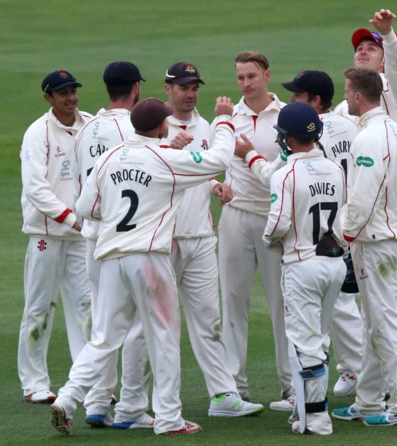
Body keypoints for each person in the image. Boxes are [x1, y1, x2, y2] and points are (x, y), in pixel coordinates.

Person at [49, 97, 236, 436]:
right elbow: (219, 159)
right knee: (163, 337)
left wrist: (119, 210)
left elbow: (85, 207)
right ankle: (168, 419)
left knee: (103, 339)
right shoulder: (165, 158)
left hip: (109, 257)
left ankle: (67, 399)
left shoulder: (108, 159)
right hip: (149, 258)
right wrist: (223, 120)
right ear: (163, 125)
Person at [235, 70, 363, 397]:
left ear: (315, 101)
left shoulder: (293, 157)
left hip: (304, 250)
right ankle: (361, 377)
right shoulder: (351, 126)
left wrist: (248, 153)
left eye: (297, 95)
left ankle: (312, 410)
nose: (290, 99)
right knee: (343, 311)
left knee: (308, 337)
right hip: (339, 240)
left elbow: (272, 182)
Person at [163, 61, 263, 416]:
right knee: (157, 325)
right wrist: (168, 148)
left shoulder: (205, 126)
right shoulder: (155, 126)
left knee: (209, 319)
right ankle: (141, 402)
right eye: (183, 88)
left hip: (202, 236)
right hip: (164, 239)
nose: (190, 94)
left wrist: (213, 184)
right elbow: (149, 169)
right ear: (168, 89)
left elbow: (198, 169)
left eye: (195, 88)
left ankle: (222, 396)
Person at [332, 68, 397, 427]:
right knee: (376, 322)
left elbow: (362, 197)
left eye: (347, 92)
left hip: (378, 243)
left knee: (385, 325)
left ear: (356, 96)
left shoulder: (368, 138)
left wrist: (341, 237)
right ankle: (368, 401)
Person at [72, 61, 155, 429]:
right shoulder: (135, 128)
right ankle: (132, 405)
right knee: (136, 325)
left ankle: (96, 400)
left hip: (92, 237)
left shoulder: (86, 128)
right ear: (136, 88)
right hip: (125, 241)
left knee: (102, 326)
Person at [212, 51, 293, 410]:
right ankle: (234, 387)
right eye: (240, 77)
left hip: (276, 220)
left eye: (251, 76)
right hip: (236, 216)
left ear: (267, 75)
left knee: (283, 304)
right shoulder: (228, 118)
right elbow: (205, 162)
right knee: (233, 301)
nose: (246, 83)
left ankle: (291, 387)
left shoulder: (288, 115)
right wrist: (216, 185)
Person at [263, 102, 347, 435]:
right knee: (319, 339)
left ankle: (316, 417)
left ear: (286, 139)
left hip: (302, 265)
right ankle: (304, 408)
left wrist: (270, 240)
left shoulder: (285, 174)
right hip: (335, 263)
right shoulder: (335, 169)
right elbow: (343, 219)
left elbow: (276, 225)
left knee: (305, 343)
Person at [335, 8, 397, 333]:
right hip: (355, 210)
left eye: (371, 48)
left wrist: (388, 36)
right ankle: (365, 375)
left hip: (389, 215)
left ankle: (391, 380)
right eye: (359, 49)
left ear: (383, 62)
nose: (363, 51)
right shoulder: (345, 107)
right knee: (358, 303)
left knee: (390, 305)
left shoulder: (393, 93)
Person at [18, 70, 92, 404]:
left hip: (81, 234)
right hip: (47, 233)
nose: (70, 98)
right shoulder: (38, 132)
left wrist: (83, 221)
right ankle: (34, 383)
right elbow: (35, 187)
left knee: (86, 310)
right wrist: (70, 218)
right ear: (49, 98)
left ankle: (86, 381)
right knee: (39, 309)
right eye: (62, 93)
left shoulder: (90, 124)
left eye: (73, 91)